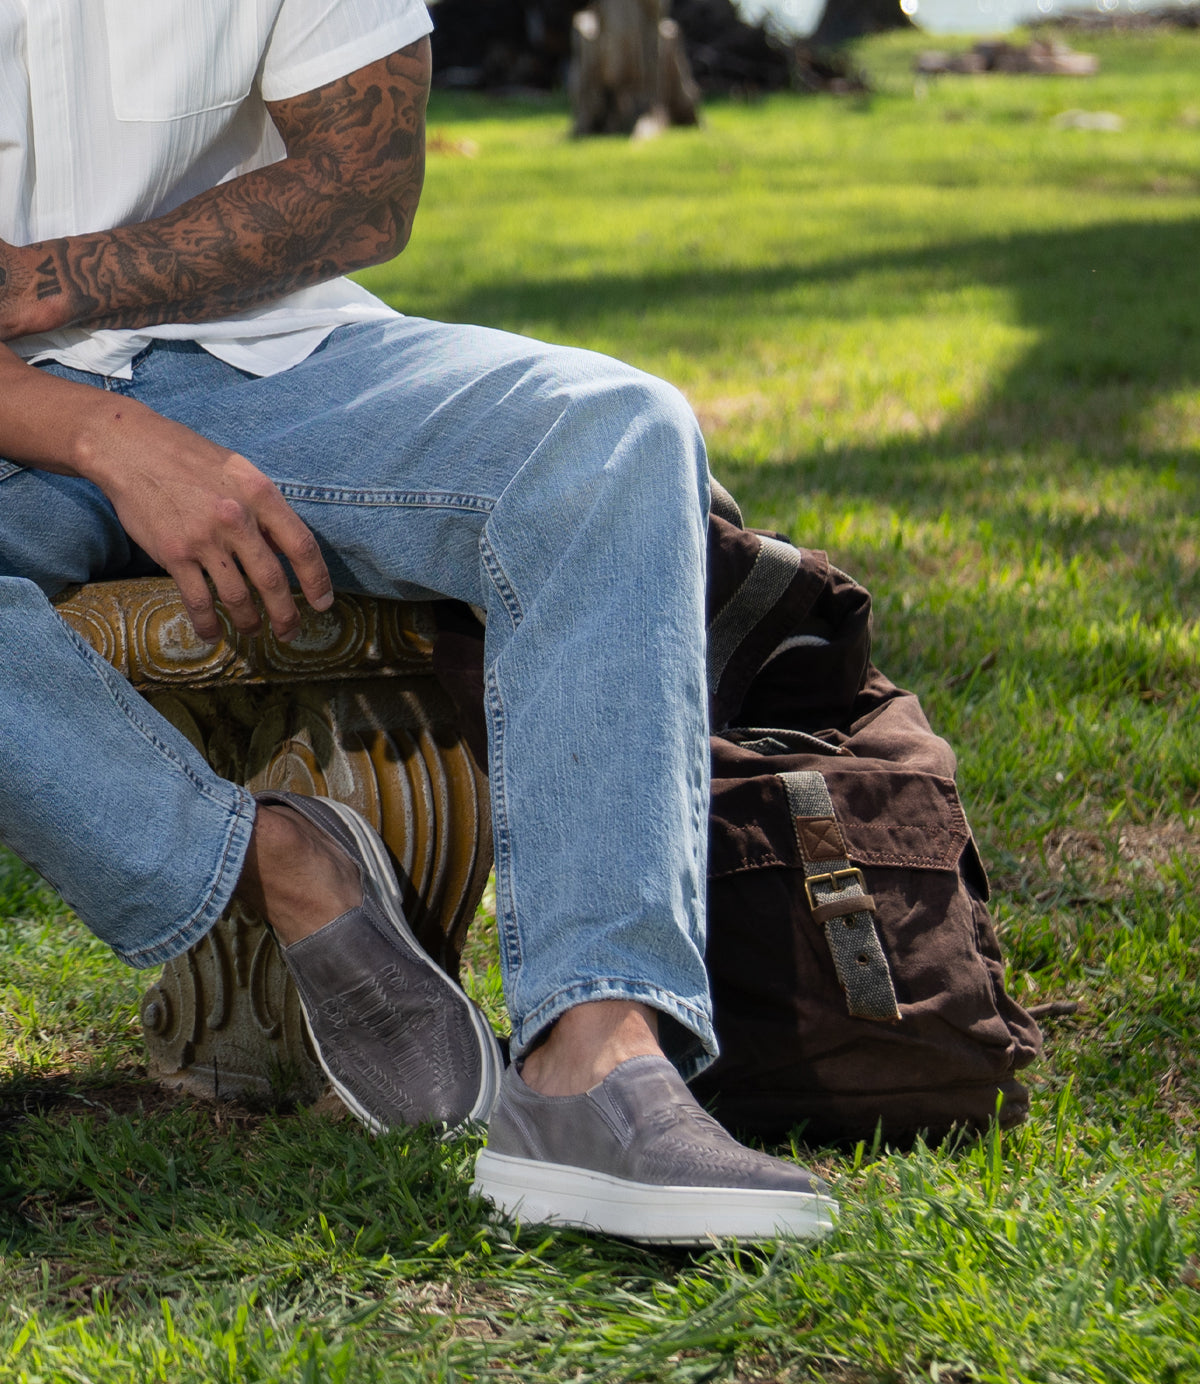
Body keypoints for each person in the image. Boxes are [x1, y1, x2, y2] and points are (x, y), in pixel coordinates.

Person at [0, 0, 835, 1246]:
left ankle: (593, 1060)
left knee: (611, 431)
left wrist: (65, 295)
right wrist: (97, 434)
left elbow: (361, 183)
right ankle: (284, 864)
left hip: (264, 363)